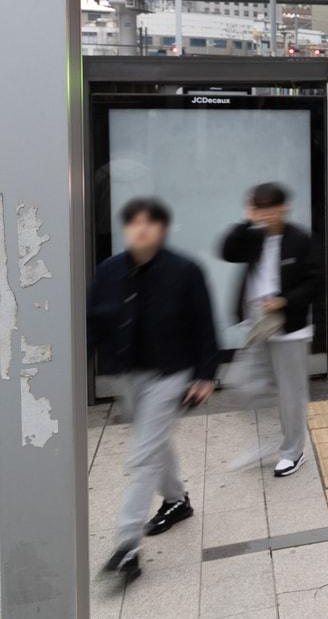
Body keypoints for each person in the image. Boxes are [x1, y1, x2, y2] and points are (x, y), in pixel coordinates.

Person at [88, 198, 218, 582]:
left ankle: (127, 546)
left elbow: (204, 325)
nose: (141, 230)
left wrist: (206, 374)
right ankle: (177, 500)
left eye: (149, 224)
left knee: (143, 456)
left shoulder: (184, 270)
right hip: (129, 374)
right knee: (157, 443)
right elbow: (93, 322)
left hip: (171, 374)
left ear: (161, 229)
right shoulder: (109, 271)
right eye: (134, 224)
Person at [221, 183, 319, 477]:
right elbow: (227, 251)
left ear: (281, 208)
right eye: (257, 207)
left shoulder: (300, 239)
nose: (262, 213)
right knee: (241, 384)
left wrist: (284, 301)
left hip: (290, 329)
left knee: (291, 394)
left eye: (266, 207)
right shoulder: (253, 238)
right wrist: (245, 222)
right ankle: (275, 436)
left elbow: (316, 282)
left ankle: (293, 451)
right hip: (259, 325)